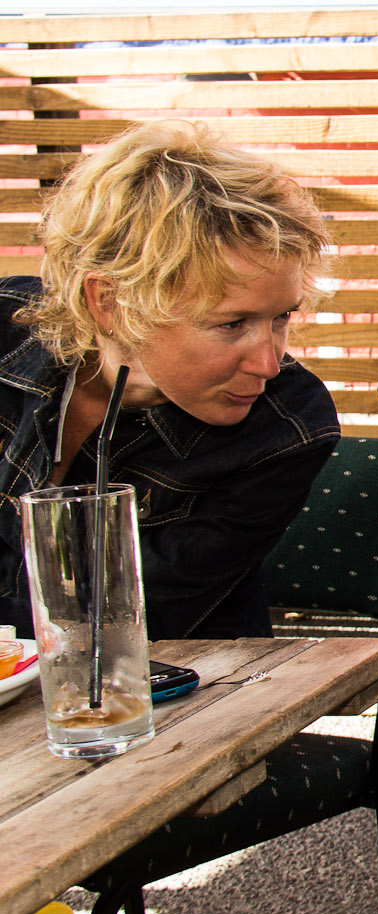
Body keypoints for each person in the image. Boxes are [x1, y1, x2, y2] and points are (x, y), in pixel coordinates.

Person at [0, 120, 340, 641]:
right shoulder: (7, 329)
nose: (268, 364)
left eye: (281, 317)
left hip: (182, 681)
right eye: (232, 324)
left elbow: (117, 627)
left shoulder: (286, 427)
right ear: (110, 303)